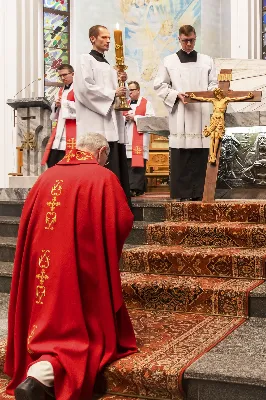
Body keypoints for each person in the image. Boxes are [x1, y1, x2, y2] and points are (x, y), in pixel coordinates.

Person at [5, 133, 137, 400]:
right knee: (80, 330)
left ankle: (38, 358)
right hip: (78, 265)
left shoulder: (46, 177)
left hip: (41, 266)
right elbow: (122, 222)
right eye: (106, 159)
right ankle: (45, 372)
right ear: (100, 153)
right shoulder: (102, 177)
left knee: (47, 317)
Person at [154, 24, 218, 200]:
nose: (188, 44)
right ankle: (181, 194)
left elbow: (214, 83)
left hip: (201, 112)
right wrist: (175, 95)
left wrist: (209, 93)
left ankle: (200, 193)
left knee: (200, 153)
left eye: (191, 40)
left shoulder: (206, 60)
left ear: (195, 38)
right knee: (182, 154)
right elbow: (159, 85)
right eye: (185, 41)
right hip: (181, 112)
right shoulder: (169, 61)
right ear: (179, 39)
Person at [74, 25, 131, 200]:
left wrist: (123, 82)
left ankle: (118, 201)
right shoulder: (85, 60)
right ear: (93, 39)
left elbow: (122, 95)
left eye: (109, 38)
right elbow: (84, 89)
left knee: (115, 161)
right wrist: (113, 94)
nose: (108, 41)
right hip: (96, 123)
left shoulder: (110, 67)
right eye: (104, 37)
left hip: (112, 122)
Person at [190, 88, 253, 163]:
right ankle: (211, 156)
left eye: (218, 94)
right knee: (212, 136)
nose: (217, 96)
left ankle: (214, 154)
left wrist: (248, 97)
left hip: (220, 119)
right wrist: (194, 97)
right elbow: (204, 99)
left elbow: (236, 98)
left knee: (217, 136)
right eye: (216, 94)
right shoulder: (214, 100)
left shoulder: (225, 100)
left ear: (220, 93)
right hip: (213, 119)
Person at [41, 64, 76, 168]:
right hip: (60, 127)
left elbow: (83, 108)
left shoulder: (79, 89)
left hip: (73, 128)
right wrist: (56, 106)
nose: (62, 78)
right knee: (53, 160)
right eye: (60, 75)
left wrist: (64, 104)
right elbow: (55, 114)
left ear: (73, 74)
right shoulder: (60, 90)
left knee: (68, 159)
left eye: (65, 75)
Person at [124, 81, 155, 196]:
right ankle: (129, 188)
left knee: (137, 166)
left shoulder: (146, 103)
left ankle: (136, 188)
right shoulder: (124, 103)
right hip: (127, 137)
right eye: (128, 90)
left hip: (139, 139)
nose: (130, 92)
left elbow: (151, 121)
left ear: (138, 90)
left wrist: (135, 117)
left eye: (132, 90)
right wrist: (125, 119)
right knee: (127, 164)